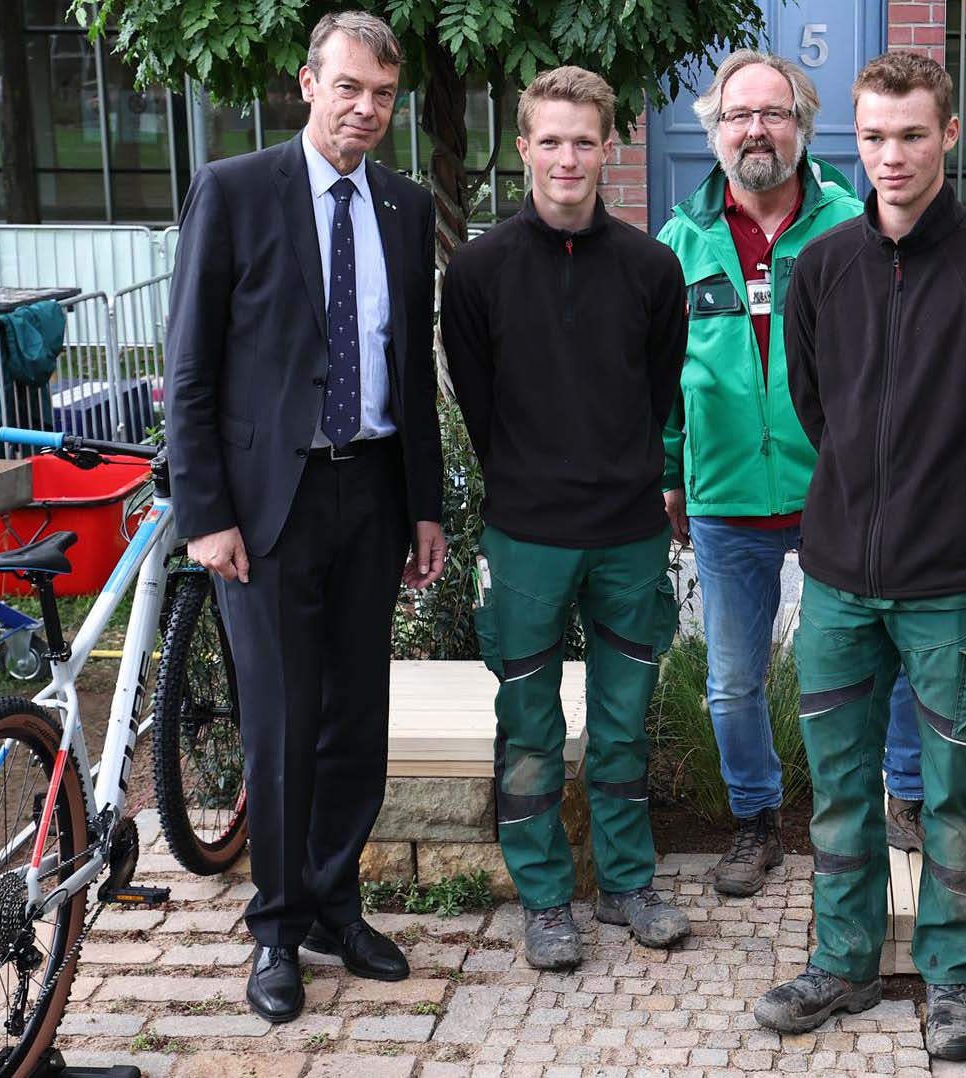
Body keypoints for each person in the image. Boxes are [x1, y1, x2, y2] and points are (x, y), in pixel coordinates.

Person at [754, 51, 966, 1061]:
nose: (890, 157)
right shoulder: (824, 269)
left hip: (953, 589)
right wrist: (859, 495)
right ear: (856, 139)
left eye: (910, 135)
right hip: (842, 582)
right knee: (842, 787)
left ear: (947, 138)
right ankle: (843, 964)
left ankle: (950, 978)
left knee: (954, 790)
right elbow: (814, 405)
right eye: (874, 136)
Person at [163, 10, 444, 1024]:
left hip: (370, 492)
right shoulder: (234, 192)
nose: (366, 110)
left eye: (382, 95)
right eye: (349, 88)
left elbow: (410, 369)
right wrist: (206, 513)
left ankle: (335, 902)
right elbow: (189, 365)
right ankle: (275, 930)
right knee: (281, 723)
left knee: (354, 719)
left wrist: (425, 505)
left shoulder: (407, 209)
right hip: (264, 507)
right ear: (306, 82)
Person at [655, 50, 931, 899]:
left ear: (803, 128)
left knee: (883, 657)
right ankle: (755, 823)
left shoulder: (853, 224)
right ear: (715, 131)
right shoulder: (681, 239)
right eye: (739, 116)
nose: (756, 130)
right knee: (732, 680)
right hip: (726, 497)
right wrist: (670, 470)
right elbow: (662, 372)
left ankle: (908, 799)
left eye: (774, 114)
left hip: (837, 495)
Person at [440, 66, 691, 973]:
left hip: (628, 533)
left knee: (625, 721)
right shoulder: (477, 271)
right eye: (550, 140)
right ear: (523, 149)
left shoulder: (653, 269)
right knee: (530, 724)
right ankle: (546, 900)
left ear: (611, 146)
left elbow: (659, 389)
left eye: (585, 140)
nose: (568, 157)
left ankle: (627, 884)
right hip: (528, 536)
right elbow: (477, 400)